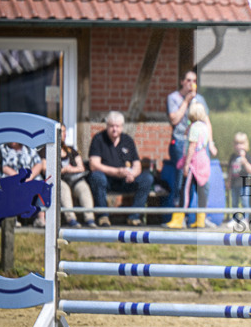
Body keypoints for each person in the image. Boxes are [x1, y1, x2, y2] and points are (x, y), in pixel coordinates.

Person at [88, 111, 154, 227]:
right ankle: (103, 216)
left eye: (117, 126)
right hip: (107, 180)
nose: (114, 129)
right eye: (111, 126)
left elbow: (137, 164)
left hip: (125, 180)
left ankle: (134, 217)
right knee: (96, 176)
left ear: (122, 127)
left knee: (147, 178)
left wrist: (132, 174)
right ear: (107, 126)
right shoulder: (98, 139)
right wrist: (116, 172)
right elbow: (94, 165)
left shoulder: (128, 140)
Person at [165, 69, 212, 229]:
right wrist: (186, 101)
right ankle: (181, 217)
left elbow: (207, 121)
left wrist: (210, 143)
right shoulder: (173, 98)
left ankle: (199, 217)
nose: (192, 84)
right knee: (182, 181)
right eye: (188, 80)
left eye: (194, 81)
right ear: (182, 82)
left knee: (200, 183)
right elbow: (174, 120)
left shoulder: (200, 100)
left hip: (198, 148)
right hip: (180, 143)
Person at [50, 123, 96, 228]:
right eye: (61, 132)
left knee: (84, 188)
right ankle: (71, 218)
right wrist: (63, 170)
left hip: (74, 179)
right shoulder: (48, 150)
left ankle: (89, 218)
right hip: (59, 179)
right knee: (64, 189)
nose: (63, 134)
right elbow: (45, 169)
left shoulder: (71, 150)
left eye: (64, 131)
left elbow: (81, 168)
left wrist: (70, 169)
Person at [180, 102, 213, 229]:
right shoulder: (205, 127)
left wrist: (186, 164)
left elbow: (192, 146)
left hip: (194, 161)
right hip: (204, 159)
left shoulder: (194, 127)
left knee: (186, 190)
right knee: (201, 190)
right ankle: (201, 220)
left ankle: (181, 218)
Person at [0, 141, 46, 227]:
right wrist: (19, 177)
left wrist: (30, 177)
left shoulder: (29, 148)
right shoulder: (2, 149)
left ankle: (41, 218)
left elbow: (39, 164)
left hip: (29, 178)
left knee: (41, 185)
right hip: (12, 177)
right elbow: (3, 167)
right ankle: (12, 219)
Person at [227, 132, 251, 226]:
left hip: (244, 183)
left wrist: (245, 162)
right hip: (234, 183)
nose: (239, 146)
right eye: (237, 143)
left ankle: (245, 218)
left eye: (241, 143)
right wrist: (228, 182)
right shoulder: (233, 157)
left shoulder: (248, 157)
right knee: (234, 202)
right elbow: (230, 170)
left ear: (246, 144)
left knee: (244, 201)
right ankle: (235, 219)